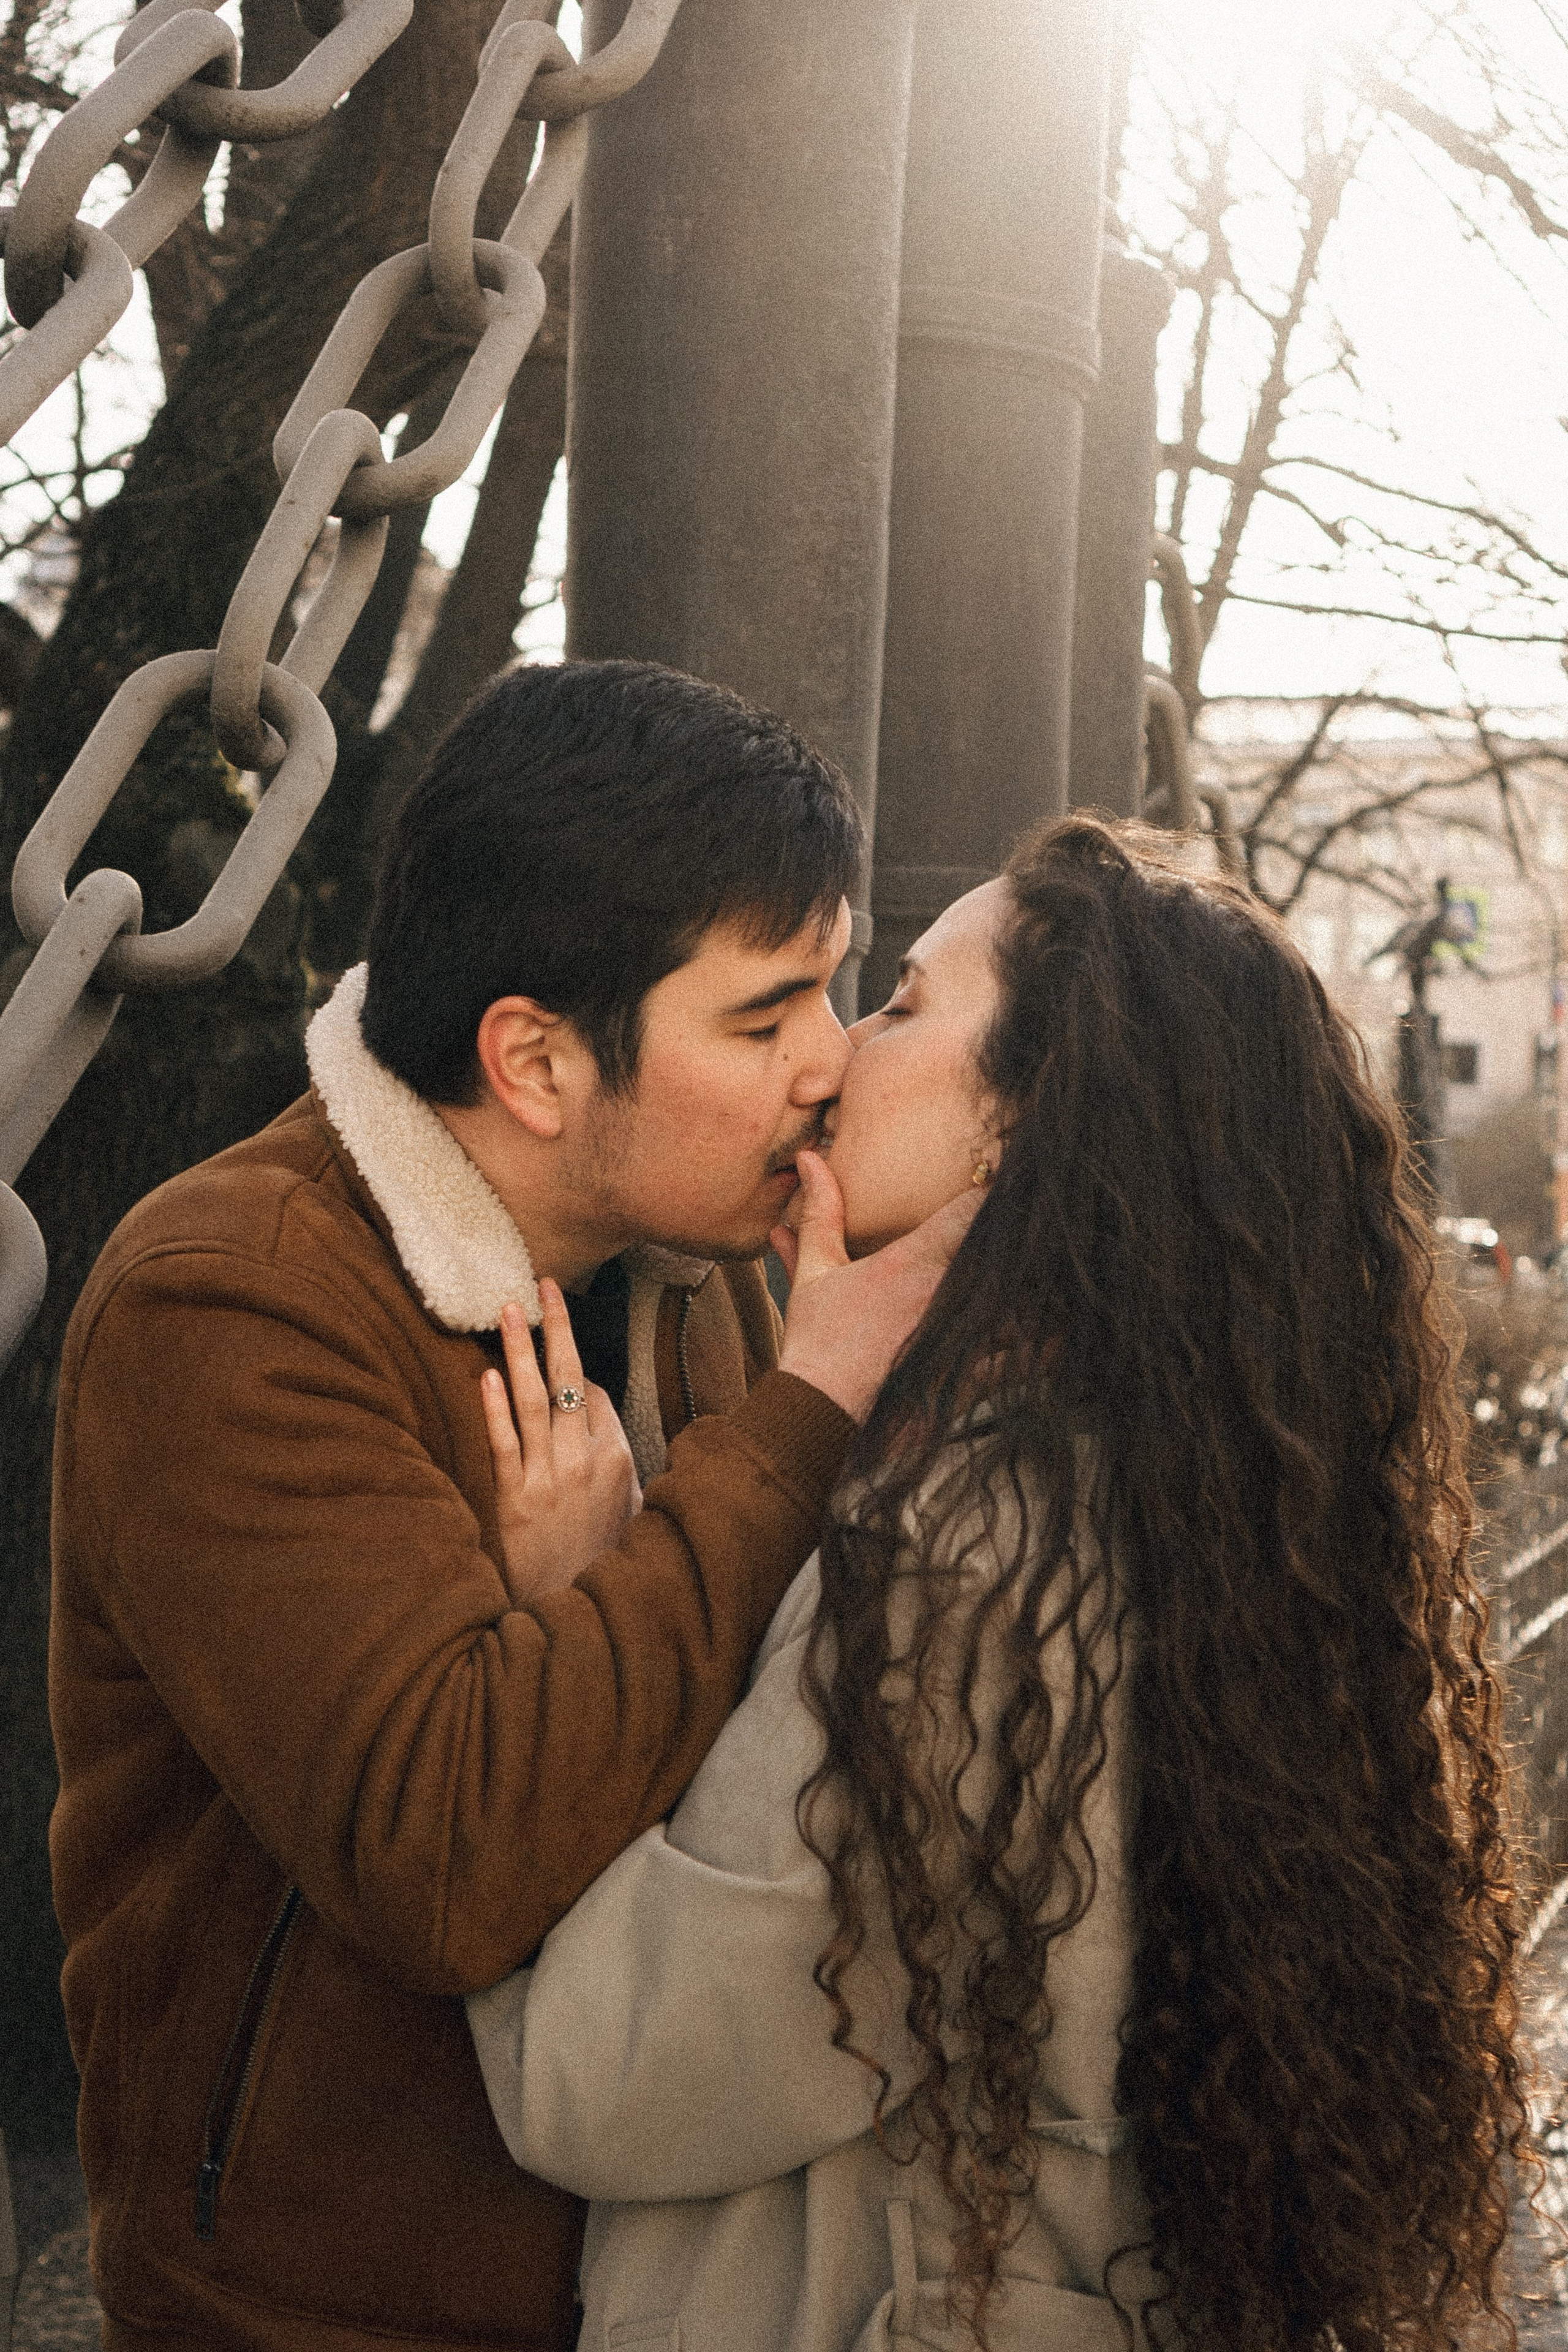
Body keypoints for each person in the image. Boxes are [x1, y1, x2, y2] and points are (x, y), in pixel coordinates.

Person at [470, 815, 1531, 2352]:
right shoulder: (1212, 1494)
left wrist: (573, 1623)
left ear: (1033, 1120)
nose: (831, 1059)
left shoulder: (970, 1549)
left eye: (899, 1005)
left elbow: (608, 2080)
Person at [47, 660, 978, 2352]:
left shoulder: (689, 1264)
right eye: (765, 1019)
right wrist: (803, 1422)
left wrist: (602, 1588)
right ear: (536, 1061)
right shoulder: (235, 1305)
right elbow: (450, 1861)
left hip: (652, 2271)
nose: (830, 1068)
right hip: (325, 2306)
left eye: (838, 996)